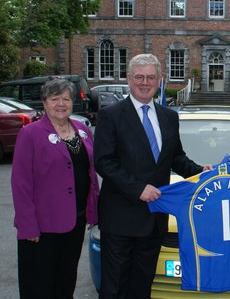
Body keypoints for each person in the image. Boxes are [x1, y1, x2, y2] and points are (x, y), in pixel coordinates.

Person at [93, 53, 211, 299]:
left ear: (159, 79)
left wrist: (200, 172)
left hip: (154, 218)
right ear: (129, 79)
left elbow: (176, 157)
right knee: (114, 288)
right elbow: (104, 162)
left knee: (142, 286)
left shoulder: (169, 116)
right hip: (120, 219)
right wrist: (138, 189)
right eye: (139, 77)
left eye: (150, 77)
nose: (144, 82)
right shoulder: (111, 115)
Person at [11, 78, 99, 299]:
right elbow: (20, 183)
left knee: (66, 281)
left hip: (75, 223)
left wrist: (92, 210)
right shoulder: (30, 134)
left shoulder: (82, 130)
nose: (61, 104)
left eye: (66, 99)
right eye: (55, 99)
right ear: (44, 102)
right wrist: (27, 225)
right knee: (40, 285)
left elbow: (90, 173)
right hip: (42, 228)